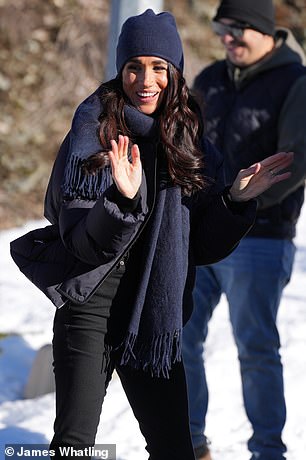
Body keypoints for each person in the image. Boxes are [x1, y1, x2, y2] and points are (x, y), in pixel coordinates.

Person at [10, 9, 293, 460]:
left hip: (152, 312)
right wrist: (120, 201)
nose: (146, 80)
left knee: (174, 449)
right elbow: (83, 244)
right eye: (133, 67)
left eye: (159, 67)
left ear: (175, 72)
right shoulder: (92, 133)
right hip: (91, 307)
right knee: (75, 447)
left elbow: (200, 247)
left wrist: (234, 201)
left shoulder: (192, 142)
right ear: (120, 71)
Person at [182, 1, 306, 459]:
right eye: (220, 29)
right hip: (202, 234)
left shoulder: (296, 83)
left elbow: (295, 163)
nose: (226, 39)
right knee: (179, 336)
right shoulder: (211, 79)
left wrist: (240, 204)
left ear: (263, 31)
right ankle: (189, 442)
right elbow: (183, 143)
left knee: (255, 349)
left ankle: (268, 451)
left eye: (236, 30)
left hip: (260, 238)